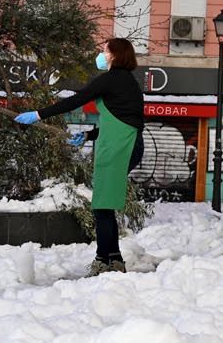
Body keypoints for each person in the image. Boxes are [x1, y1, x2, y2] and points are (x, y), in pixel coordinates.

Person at [15, 38, 145, 275]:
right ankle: (113, 259)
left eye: (104, 50)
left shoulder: (112, 79)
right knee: (104, 205)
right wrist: (89, 135)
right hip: (125, 144)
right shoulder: (127, 83)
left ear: (115, 55)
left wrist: (38, 114)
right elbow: (123, 120)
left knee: (102, 205)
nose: (100, 54)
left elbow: (76, 100)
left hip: (120, 147)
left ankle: (103, 261)